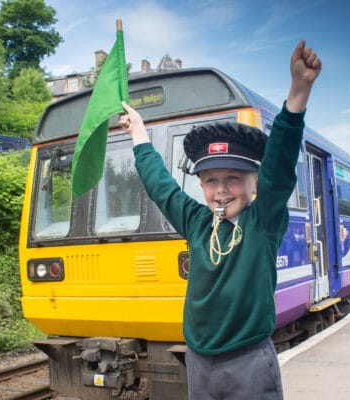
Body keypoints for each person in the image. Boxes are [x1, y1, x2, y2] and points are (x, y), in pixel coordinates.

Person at [119, 40, 321, 399]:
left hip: (249, 364)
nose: (222, 190)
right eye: (211, 181)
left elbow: (278, 165)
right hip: (199, 362)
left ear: (253, 183)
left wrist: (298, 91)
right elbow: (160, 186)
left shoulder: (263, 222)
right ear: (201, 186)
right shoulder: (197, 222)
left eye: (233, 179)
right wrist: (138, 133)